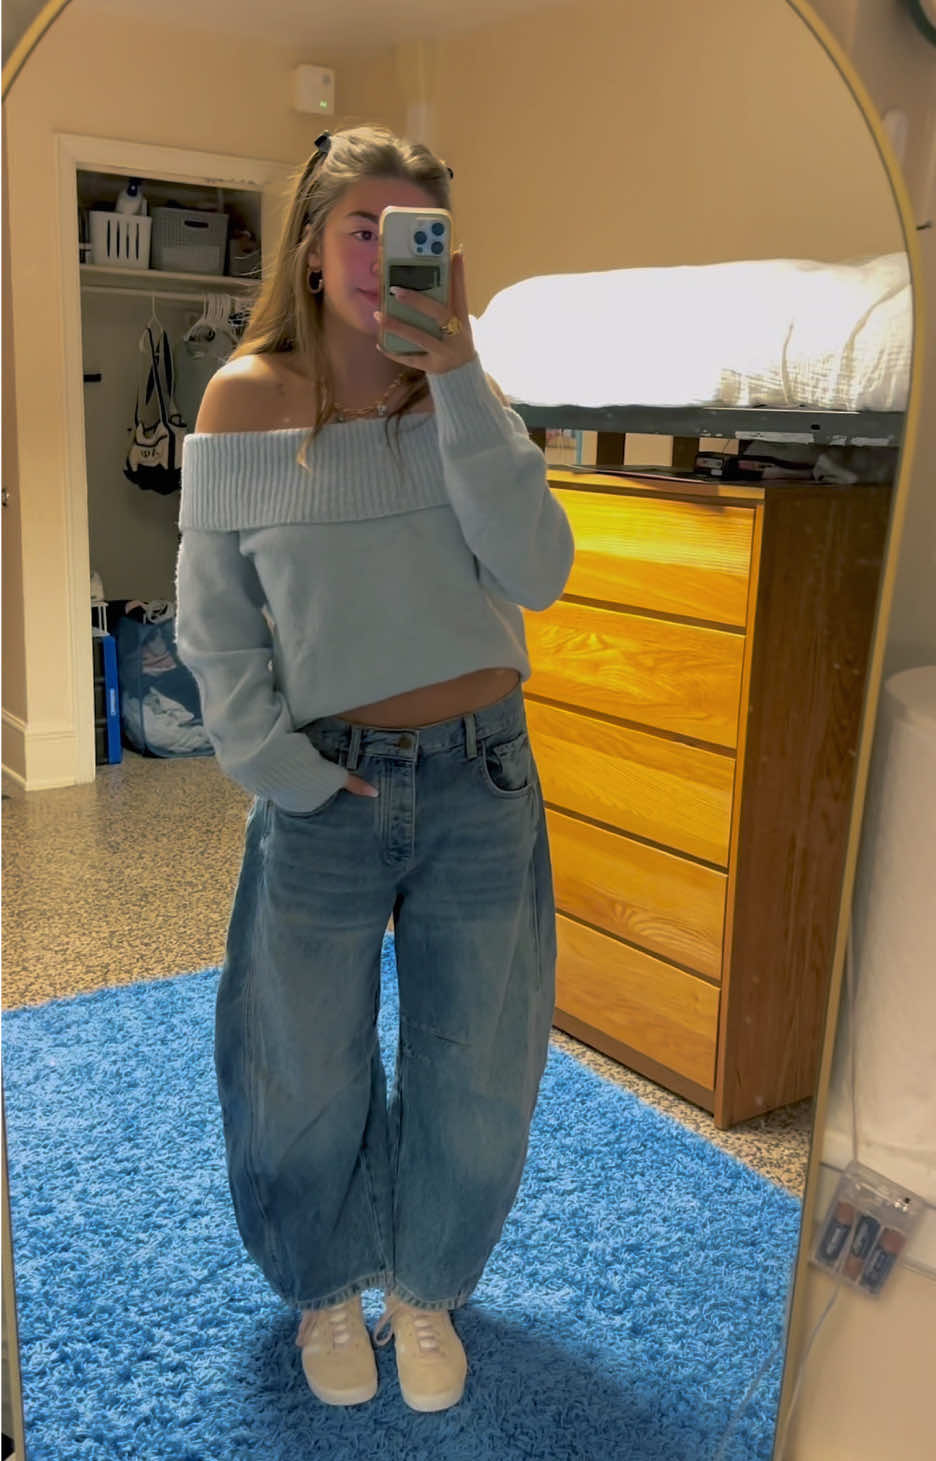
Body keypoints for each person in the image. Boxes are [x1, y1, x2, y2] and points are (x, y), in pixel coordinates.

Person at [174, 123, 575, 1414]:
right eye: (361, 229)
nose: (379, 259)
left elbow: (538, 573)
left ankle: (427, 1285)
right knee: (299, 1055)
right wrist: (276, 769)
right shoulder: (243, 399)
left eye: (413, 238)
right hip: (324, 781)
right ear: (310, 246)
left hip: (482, 776)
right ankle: (323, 1285)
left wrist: (458, 378)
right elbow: (215, 622)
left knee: (478, 1056)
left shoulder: (469, 395)